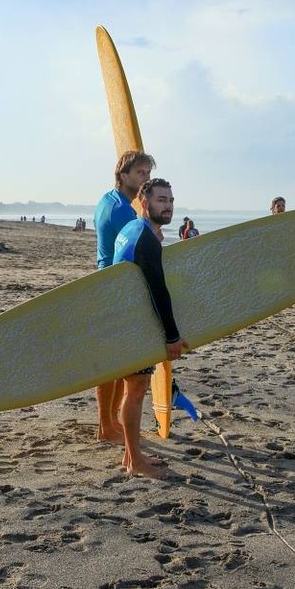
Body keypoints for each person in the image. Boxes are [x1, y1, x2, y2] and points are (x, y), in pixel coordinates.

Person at [113, 178, 189, 478]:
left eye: (170, 200)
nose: (167, 206)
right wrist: (172, 337)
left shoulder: (132, 229)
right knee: (136, 389)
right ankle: (135, 462)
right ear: (144, 203)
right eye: (160, 200)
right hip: (133, 326)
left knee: (133, 388)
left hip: (124, 320)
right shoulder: (145, 239)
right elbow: (158, 291)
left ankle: (131, 455)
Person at [93, 150, 156, 442]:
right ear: (123, 176)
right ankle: (107, 426)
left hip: (108, 282)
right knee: (114, 364)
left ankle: (109, 423)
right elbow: (131, 252)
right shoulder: (123, 211)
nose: (146, 178)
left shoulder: (107, 200)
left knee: (116, 363)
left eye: (148, 173)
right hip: (116, 287)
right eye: (141, 173)